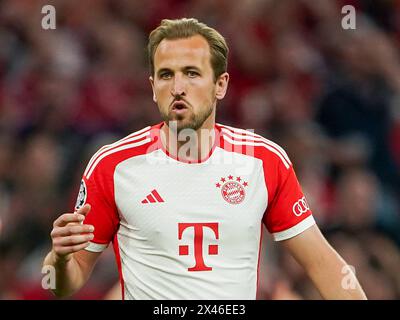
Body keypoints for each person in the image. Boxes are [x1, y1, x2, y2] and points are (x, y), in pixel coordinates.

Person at [43, 18, 366, 300]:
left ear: (220, 85)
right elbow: (65, 283)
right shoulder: (113, 164)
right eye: (166, 75)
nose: (178, 87)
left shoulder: (264, 161)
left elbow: (322, 264)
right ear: (154, 88)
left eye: (192, 73)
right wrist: (58, 260)